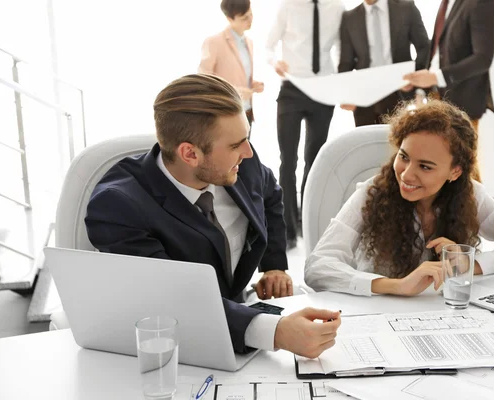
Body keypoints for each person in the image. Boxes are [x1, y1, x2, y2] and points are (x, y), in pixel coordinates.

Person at [85, 74, 341, 357]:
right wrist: (275, 332)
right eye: (235, 145)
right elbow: (167, 298)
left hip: (239, 321)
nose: (248, 152)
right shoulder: (118, 206)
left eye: (247, 139)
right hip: (176, 349)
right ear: (189, 154)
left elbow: (271, 196)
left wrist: (274, 265)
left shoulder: (243, 161)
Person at [304, 100, 494, 296]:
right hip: (379, 314)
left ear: (455, 172)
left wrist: (469, 264)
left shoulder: (471, 194)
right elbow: (317, 267)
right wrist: (397, 286)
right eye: (403, 157)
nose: (406, 174)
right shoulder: (372, 192)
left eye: (425, 166)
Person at [265, 0, 345, 249]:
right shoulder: (287, 6)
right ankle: (287, 226)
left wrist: (344, 84)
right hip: (292, 88)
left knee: (315, 159)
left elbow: (343, 48)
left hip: (323, 90)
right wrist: (274, 62)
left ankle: (305, 220)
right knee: (288, 160)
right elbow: (268, 46)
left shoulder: (337, 7)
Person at [403, 0, 494, 131]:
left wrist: (438, 77)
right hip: (435, 99)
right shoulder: (446, 3)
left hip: (462, 105)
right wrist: (421, 86)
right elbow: (438, 52)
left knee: (459, 151)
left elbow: (482, 59)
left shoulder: (481, 3)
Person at [338, 0, 430, 126]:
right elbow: (346, 62)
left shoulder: (406, 8)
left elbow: (424, 47)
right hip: (365, 98)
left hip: (400, 93)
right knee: (367, 143)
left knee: (400, 143)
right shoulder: (349, 17)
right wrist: (345, 93)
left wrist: (415, 80)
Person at [199, 0, 263, 130]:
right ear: (229, 18)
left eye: (251, 14)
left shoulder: (249, 42)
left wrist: (252, 84)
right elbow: (203, 81)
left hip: (246, 111)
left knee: (246, 149)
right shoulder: (214, 42)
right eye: (244, 18)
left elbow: (237, 73)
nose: (250, 19)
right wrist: (236, 91)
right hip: (226, 113)